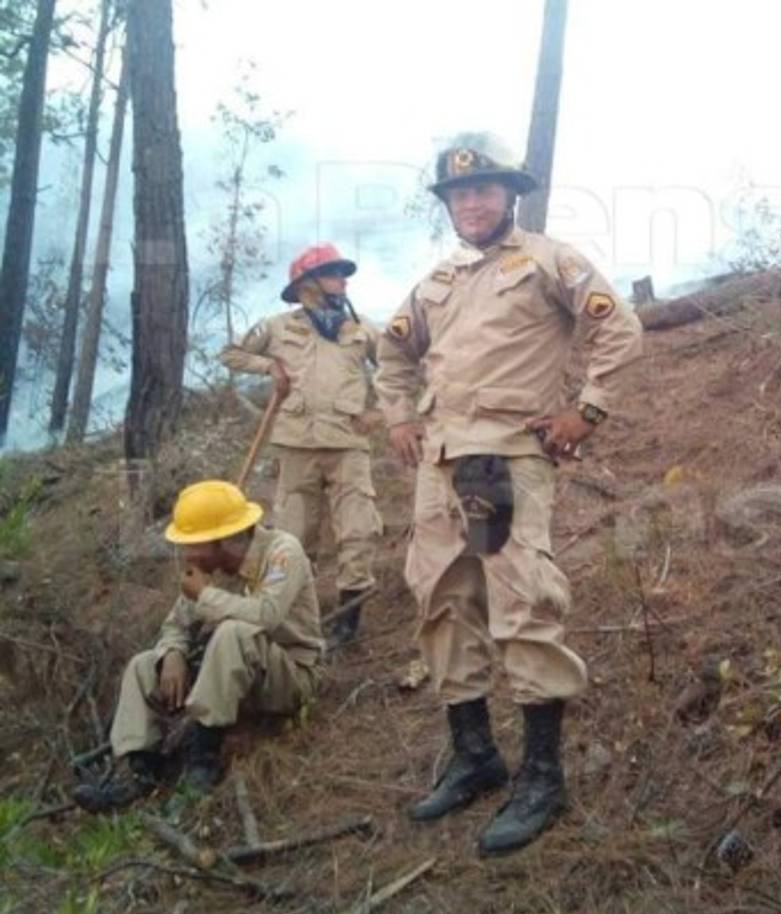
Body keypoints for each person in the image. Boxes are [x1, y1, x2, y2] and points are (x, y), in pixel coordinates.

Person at [375, 132, 643, 855]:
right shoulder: (435, 283)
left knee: (521, 604)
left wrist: (585, 411)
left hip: (500, 462)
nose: (472, 201)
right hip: (439, 465)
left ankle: (542, 778)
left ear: (509, 195)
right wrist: (398, 415)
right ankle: (475, 756)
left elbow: (619, 329)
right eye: (460, 193)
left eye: (485, 189)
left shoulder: (549, 261)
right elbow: (392, 353)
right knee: (440, 599)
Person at [72, 480, 324, 813]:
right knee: (144, 664)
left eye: (193, 544)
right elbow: (175, 625)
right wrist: (172, 653)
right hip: (237, 680)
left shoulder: (282, 552)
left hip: (289, 678)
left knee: (234, 632)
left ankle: (203, 759)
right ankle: (142, 770)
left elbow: (267, 615)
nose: (186, 554)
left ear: (222, 541)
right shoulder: (212, 569)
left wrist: (205, 596)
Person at [220, 243, 382, 648]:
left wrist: (382, 414)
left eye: (344, 274)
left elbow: (400, 368)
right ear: (307, 284)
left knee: (358, 532)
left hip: (348, 445)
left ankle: (348, 624)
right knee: (293, 537)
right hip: (296, 446)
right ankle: (298, 621)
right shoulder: (277, 328)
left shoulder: (363, 330)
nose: (343, 281)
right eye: (334, 273)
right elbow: (230, 353)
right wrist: (269, 365)